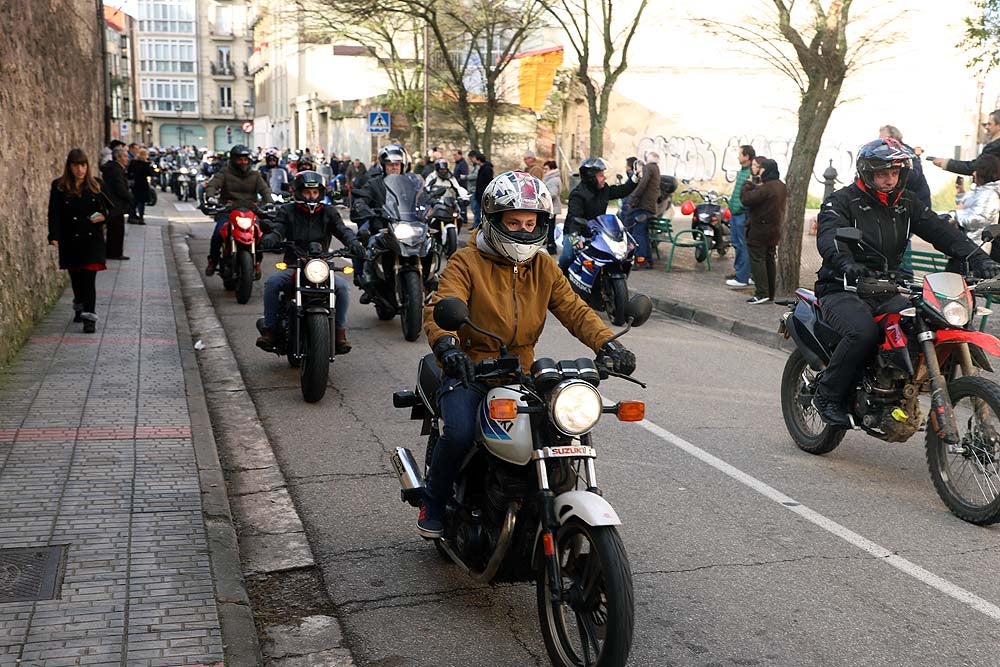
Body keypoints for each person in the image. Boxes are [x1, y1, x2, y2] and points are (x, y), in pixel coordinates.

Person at [416, 170, 638, 538]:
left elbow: (575, 310)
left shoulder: (543, 266)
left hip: (520, 372)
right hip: (470, 369)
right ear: (494, 220)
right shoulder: (466, 261)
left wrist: (607, 343)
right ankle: (434, 500)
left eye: (530, 222)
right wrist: (447, 346)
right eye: (513, 222)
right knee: (457, 433)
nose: (522, 229)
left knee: (556, 429)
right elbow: (443, 304)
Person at [812, 138, 1000, 427]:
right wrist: (847, 264)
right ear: (867, 173)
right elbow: (830, 237)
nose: (890, 180)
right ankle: (827, 395)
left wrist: (978, 258)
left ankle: (899, 386)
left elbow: (942, 233)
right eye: (882, 174)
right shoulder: (842, 201)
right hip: (843, 286)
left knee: (929, 323)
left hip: (889, 287)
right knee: (862, 332)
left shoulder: (907, 203)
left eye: (895, 173)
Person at [256, 170, 364, 355]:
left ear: (320, 193)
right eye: (307, 192)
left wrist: (353, 242)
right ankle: (270, 330)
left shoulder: (329, 212)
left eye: (315, 192)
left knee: (343, 288)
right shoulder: (287, 211)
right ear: (298, 192)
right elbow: (278, 228)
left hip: (320, 265)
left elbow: (342, 229)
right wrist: (272, 237)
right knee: (272, 283)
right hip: (294, 264)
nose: (311, 197)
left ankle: (339, 332)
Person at [48, 149, 108, 333]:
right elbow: (54, 213)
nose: (80, 169)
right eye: (76, 165)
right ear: (70, 166)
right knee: (76, 278)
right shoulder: (59, 186)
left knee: (89, 279)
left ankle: (89, 317)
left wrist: (102, 216)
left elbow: (108, 209)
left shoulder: (96, 185)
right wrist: (54, 235)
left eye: (83, 165)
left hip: (91, 238)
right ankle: (80, 305)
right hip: (70, 237)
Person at [351, 143, 409, 301]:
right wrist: (361, 205)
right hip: (382, 226)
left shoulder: (410, 182)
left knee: (430, 242)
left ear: (402, 166)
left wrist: (432, 204)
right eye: (390, 165)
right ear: (383, 166)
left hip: (408, 226)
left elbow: (422, 197)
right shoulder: (374, 183)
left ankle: (432, 276)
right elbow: (363, 196)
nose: (394, 168)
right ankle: (365, 278)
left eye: (397, 164)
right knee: (364, 240)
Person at [203, 144, 272, 276]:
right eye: (239, 159)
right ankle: (213, 261)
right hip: (228, 210)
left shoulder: (255, 175)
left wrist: (269, 203)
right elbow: (213, 185)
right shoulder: (224, 172)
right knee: (218, 234)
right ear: (233, 160)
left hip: (250, 210)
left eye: (245, 159)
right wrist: (211, 197)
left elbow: (265, 190)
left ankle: (257, 263)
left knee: (259, 235)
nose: (243, 162)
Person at [560, 157, 638, 271]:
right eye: (601, 175)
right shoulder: (578, 195)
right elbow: (574, 218)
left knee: (613, 255)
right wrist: (575, 238)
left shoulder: (604, 189)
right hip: (576, 232)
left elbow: (623, 190)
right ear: (591, 178)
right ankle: (558, 278)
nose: (604, 177)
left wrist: (635, 177)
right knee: (568, 257)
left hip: (597, 231)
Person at [741, 157, 786, 304]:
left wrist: (747, 183)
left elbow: (746, 199)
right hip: (773, 229)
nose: (754, 169)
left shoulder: (766, 187)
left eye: (757, 167)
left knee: (758, 260)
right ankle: (770, 292)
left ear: (764, 170)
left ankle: (761, 292)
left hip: (760, 230)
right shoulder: (780, 185)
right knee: (769, 259)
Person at [954, 153, 1000, 261]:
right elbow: (965, 205)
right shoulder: (978, 191)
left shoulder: (990, 195)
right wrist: (960, 193)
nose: (973, 174)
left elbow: (977, 219)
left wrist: (956, 214)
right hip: (963, 246)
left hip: (976, 250)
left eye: (977, 170)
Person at [931, 109, 1000, 177]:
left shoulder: (995, 146)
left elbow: (976, 167)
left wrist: (946, 163)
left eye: (989, 124)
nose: (986, 127)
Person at [879, 124, 931, 209]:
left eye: (885, 138)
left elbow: (913, 176)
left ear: (895, 137)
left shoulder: (908, 154)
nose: (881, 142)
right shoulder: (887, 154)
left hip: (917, 202)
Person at [725, 145, 755, 288]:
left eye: (740, 154)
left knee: (743, 245)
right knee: (737, 244)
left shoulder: (750, 173)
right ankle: (742, 273)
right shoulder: (742, 172)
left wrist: (740, 207)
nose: (738, 157)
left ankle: (742, 278)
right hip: (735, 213)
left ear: (746, 157)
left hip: (742, 214)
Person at [624, 151, 661, 268]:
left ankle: (640, 260)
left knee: (638, 233)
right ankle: (648, 260)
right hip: (649, 207)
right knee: (643, 233)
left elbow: (642, 185)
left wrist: (632, 198)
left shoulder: (648, 168)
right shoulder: (655, 168)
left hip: (643, 207)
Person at [100, 146, 133, 260]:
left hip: (113, 203)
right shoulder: (116, 169)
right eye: (125, 156)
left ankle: (112, 252)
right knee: (117, 230)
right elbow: (119, 186)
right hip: (116, 203)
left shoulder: (113, 168)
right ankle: (115, 253)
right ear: (118, 158)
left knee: (115, 229)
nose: (127, 158)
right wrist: (129, 197)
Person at [127, 148, 156, 225]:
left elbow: (128, 171)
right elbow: (151, 173)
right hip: (142, 184)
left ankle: (132, 216)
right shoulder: (145, 164)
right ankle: (141, 217)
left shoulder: (133, 162)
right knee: (141, 202)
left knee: (134, 201)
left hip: (134, 184)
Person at [542, 160, 562, 254]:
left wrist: (542, 196)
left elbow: (552, 193)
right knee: (549, 227)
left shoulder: (553, 179)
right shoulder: (551, 178)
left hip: (551, 208)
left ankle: (551, 246)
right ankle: (550, 245)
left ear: (552, 169)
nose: (544, 170)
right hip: (550, 208)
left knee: (550, 228)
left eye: (546, 169)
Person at [470, 150, 494, 229]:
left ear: (479, 160)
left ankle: (478, 226)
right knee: (477, 210)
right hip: (480, 192)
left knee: (479, 210)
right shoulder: (483, 168)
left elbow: (485, 181)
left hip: (482, 192)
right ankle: (476, 225)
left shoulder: (486, 169)